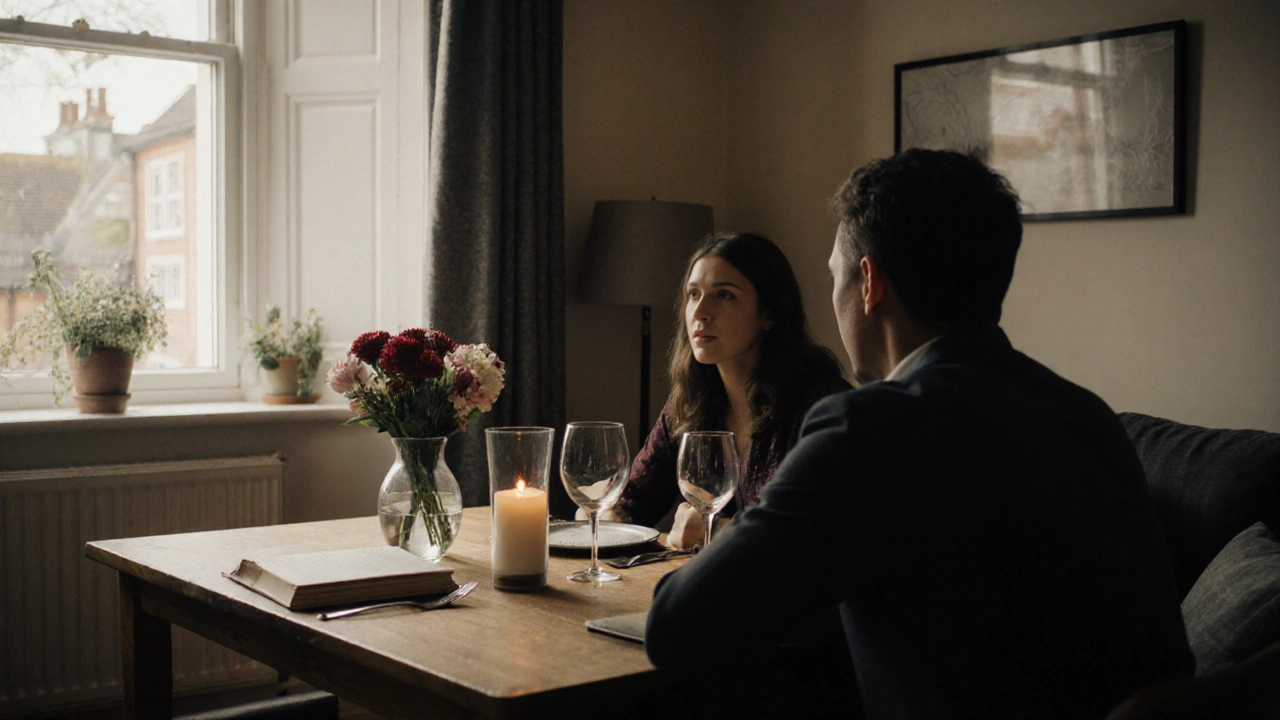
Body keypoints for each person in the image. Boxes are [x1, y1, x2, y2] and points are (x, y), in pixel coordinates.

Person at [645, 149, 1193, 719]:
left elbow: (679, 625)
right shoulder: (1088, 417)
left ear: (868, 283)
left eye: (835, 276)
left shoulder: (869, 429)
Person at [607, 232, 850, 548]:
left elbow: (820, 536)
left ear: (770, 313)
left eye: (724, 295)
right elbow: (633, 500)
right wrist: (605, 514)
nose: (700, 312)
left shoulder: (823, 405)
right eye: (693, 294)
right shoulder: (690, 402)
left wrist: (716, 531)